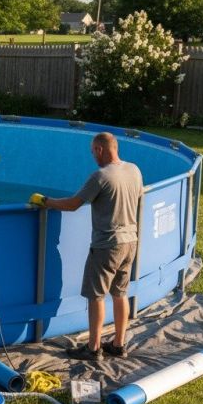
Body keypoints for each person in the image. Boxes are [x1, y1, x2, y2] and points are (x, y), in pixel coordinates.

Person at [29, 131, 144, 361]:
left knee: (97, 296)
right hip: (130, 241)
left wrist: (45, 201)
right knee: (121, 294)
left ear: (100, 149)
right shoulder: (134, 170)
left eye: (93, 152)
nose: (93, 156)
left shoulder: (100, 177)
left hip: (106, 246)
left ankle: (93, 348)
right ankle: (119, 344)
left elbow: (72, 204)